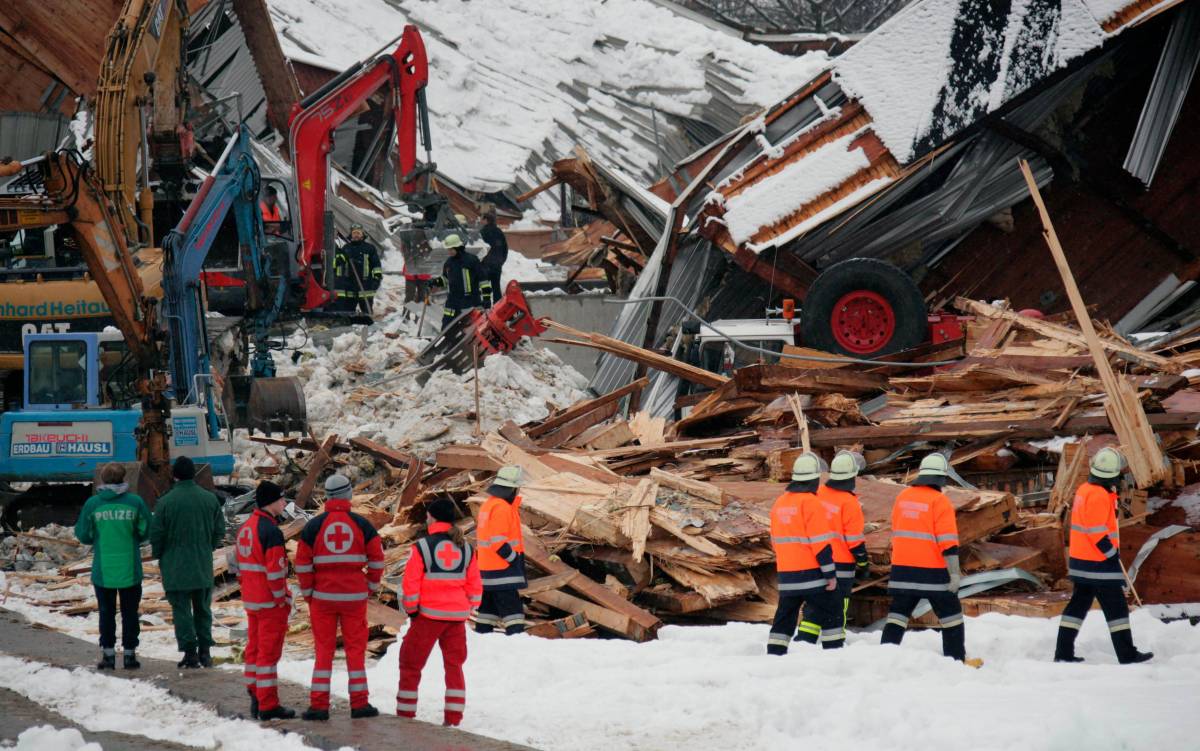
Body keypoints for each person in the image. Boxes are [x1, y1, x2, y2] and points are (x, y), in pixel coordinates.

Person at [295, 473, 384, 721]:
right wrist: (371, 586)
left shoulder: (313, 526)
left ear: (327, 497)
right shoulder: (363, 525)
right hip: (354, 598)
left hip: (322, 598)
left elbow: (302, 563)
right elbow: (377, 559)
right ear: (348, 495)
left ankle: (319, 707)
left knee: (323, 652)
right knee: (356, 651)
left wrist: (309, 592)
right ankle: (360, 705)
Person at [1055, 448, 1153, 664]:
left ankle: (1063, 653)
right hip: (1097, 563)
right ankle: (1127, 655)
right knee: (1117, 609)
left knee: (1077, 607)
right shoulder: (1099, 496)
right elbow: (1096, 531)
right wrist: (1111, 553)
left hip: (1081, 562)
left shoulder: (1085, 490)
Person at [397, 499, 482, 726]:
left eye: (427, 515)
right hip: (456, 618)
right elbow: (475, 585)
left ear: (432, 517)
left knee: (410, 664)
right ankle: (453, 719)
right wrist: (469, 605)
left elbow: (411, 584)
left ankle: (405, 716)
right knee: (454, 666)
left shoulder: (422, 547)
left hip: (428, 617)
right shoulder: (466, 547)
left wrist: (412, 610)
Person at [879, 453, 966, 662]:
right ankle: (956, 659)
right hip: (932, 571)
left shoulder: (902, 497)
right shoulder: (940, 501)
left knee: (898, 615)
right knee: (951, 616)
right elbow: (948, 543)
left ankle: (883, 656)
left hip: (902, 569)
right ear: (941, 478)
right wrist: (954, 573)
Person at [74, 462, 152, 670]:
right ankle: (129, 655)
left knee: (106, 613)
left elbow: (83, 534)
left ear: (103, 479)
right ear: (124, 479)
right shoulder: (135, 503)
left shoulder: (93, 504)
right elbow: (146, 531)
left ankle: (108, 655)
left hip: (103, 570)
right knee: (130, 612)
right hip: (130, 568)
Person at [150, 456, 226, 669]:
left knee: (181, 610)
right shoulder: (210, 499)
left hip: (175, 565)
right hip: (201, 564)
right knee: (203, 608)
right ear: (194, 474)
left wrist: (160, 555)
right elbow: (219, 530)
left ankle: (189, 653)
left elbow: (156, 534)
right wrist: (207, 547)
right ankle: (205, 652)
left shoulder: (166, 502)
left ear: (174, 476)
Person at [766, 452, 842, 655]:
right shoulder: (811, 503)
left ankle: (775, 654)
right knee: (832, 612)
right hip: (812, 575)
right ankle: (835, 655)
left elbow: (774, 540)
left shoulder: (780, 502)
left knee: (785, 616)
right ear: (815, 478)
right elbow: (820, 544)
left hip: (787, 574)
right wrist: (830, 574)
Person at [236, 481, 296, 721]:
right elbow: (275, 573)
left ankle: (254, 692)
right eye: (282, 499)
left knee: (254, 649)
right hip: (270, 602)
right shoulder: (271, 532)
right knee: (268, 655)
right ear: (271, 502)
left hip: (251, 599)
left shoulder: (247, 527)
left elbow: (237, 564)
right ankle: (268, 704)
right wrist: (283, 599)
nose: (284, 503)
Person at [798, 450, 868, 644]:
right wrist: (863, 563)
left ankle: (804, 642)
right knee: (837, 607)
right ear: (853, 475)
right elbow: (854, 540)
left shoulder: (817, 493)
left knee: (814, 604)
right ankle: (834, 645)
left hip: (815, 561)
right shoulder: (850, 502)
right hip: (840, 565)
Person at [474, 465, 526, 634]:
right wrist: (513, 559)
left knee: (487, 611)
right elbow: (498, 542)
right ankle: (517, 644)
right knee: (514, 614)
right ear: (513, 489)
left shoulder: (488, 505)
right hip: (503, 570)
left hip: (487, 570)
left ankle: (482, 638)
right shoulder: (502, 508)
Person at [332, 224, 383, 316]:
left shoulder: (369, 248)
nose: (356, 235)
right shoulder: (346, 248)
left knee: (366, 311)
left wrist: (377, 279)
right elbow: (340, 266)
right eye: (354, 233)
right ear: (351, 234)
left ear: (362, 234)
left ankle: (368, 325)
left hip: (365, 285)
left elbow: (376, 265)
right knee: (349, 311)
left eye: (358, 233)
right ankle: (351, 327)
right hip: (349, 285)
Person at [435, 233, 482, 329]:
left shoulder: (472, 260)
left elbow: (483, 279)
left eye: (451, 249)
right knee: (446, 326)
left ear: (458, 247)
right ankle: (446, 342)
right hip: (453, 300)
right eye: (448, 249)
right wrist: (433, 283)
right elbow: (445, 279)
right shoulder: (448, 263)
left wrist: (486, 299)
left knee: (467, 328)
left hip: (469, 301)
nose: (449, 252)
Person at [478, 205, 507, 308]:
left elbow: (479, 249)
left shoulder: (482, 232)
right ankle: (498, 308)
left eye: (482, 219)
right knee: (496, 288)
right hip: (496, 266)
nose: (480, 221)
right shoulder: (499, 232)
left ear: (486, 220)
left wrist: (480, 263)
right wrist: (500, 262)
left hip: (486, 265)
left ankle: (486, 307)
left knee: (484, 288)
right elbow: (505, 249)